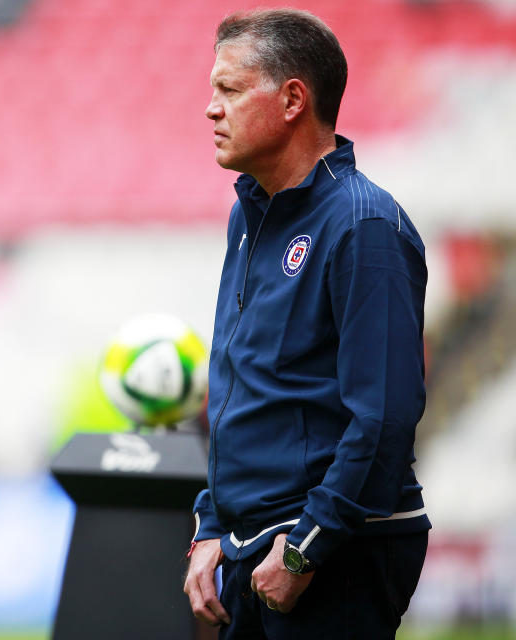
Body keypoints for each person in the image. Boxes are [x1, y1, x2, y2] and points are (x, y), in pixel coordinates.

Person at [182, 9, 431, 639]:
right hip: (254, 544)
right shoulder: (250, 217)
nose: (211, 109)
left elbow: (384, 416)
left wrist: (306, 548)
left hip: (329, 552)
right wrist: (213, 522)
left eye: (229, 90)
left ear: (294, 99)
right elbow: (242, 384)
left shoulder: (363, 225)